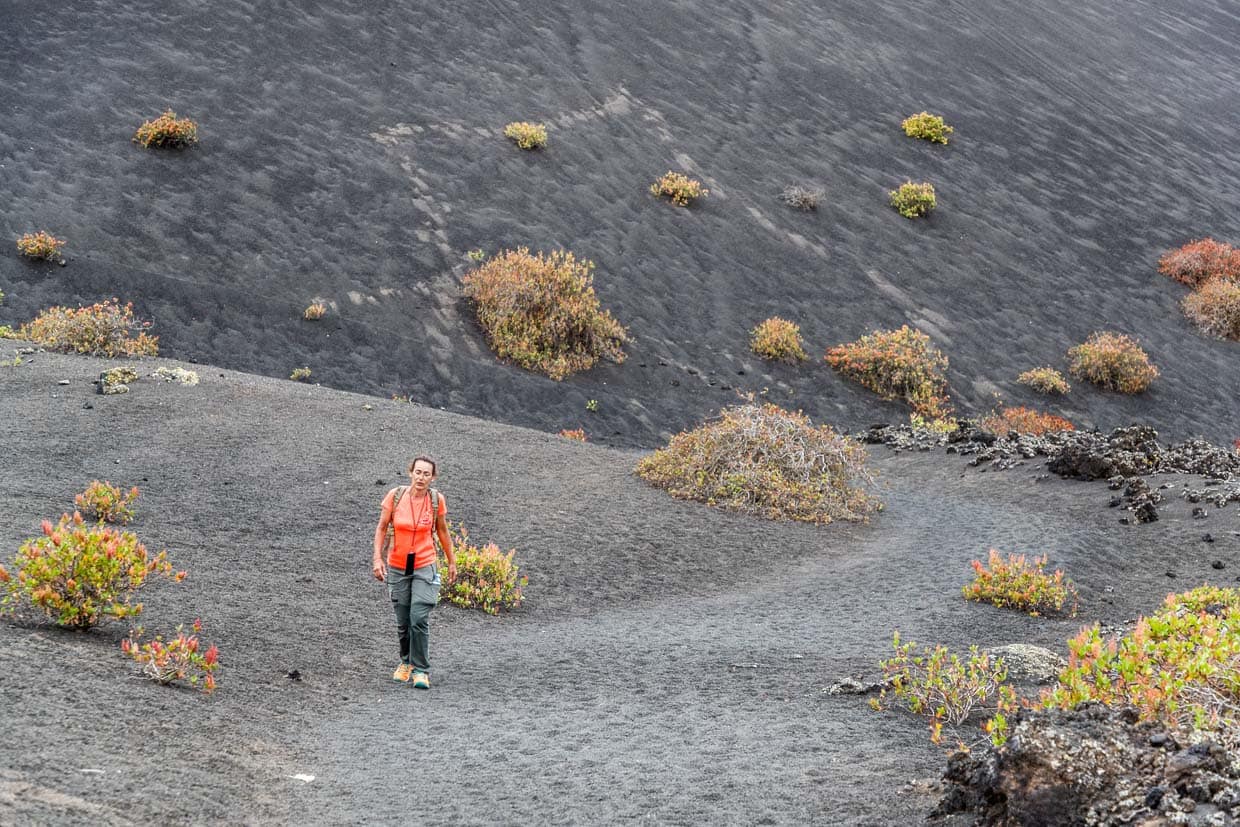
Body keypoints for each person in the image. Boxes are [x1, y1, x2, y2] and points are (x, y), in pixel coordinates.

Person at [373, 456, 456, 689]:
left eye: (426, 474)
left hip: (425, 564)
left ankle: (421, 670)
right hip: (398, 565)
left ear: (433, 477)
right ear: (410, 473)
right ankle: (405, 662)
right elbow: (381, 528)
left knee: (418, 616)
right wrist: (377, 558)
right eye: (417, 472)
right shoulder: (395, 496)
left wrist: (451, 562)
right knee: (403, 619)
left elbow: (442, 532)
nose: (421, 478)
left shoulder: (436, 500)